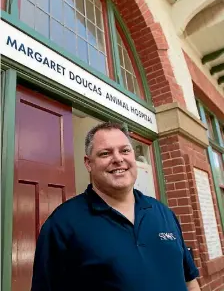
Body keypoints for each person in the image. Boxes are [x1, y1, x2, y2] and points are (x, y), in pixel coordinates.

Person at [31, 122, 200, 291]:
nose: (118, 159)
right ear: (88, 163)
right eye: (105, 153)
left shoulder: (164, 213)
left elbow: (189, 281)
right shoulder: (62, 224)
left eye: (125, 150)